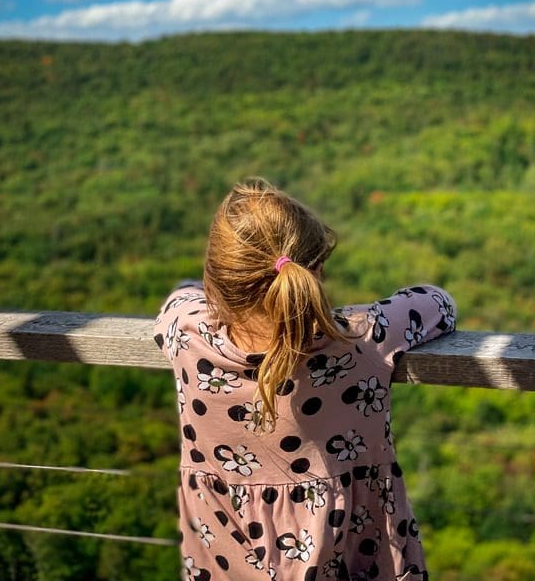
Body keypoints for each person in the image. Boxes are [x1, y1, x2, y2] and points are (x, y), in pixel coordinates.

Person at [154, 178, 457, 581]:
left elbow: (181, 294)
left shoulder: (186, 331)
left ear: (219, 282)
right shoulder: (362, 338)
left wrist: (202, 290)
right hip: (354, 557)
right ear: (314, 274)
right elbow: (438, 304)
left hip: (227, 560)